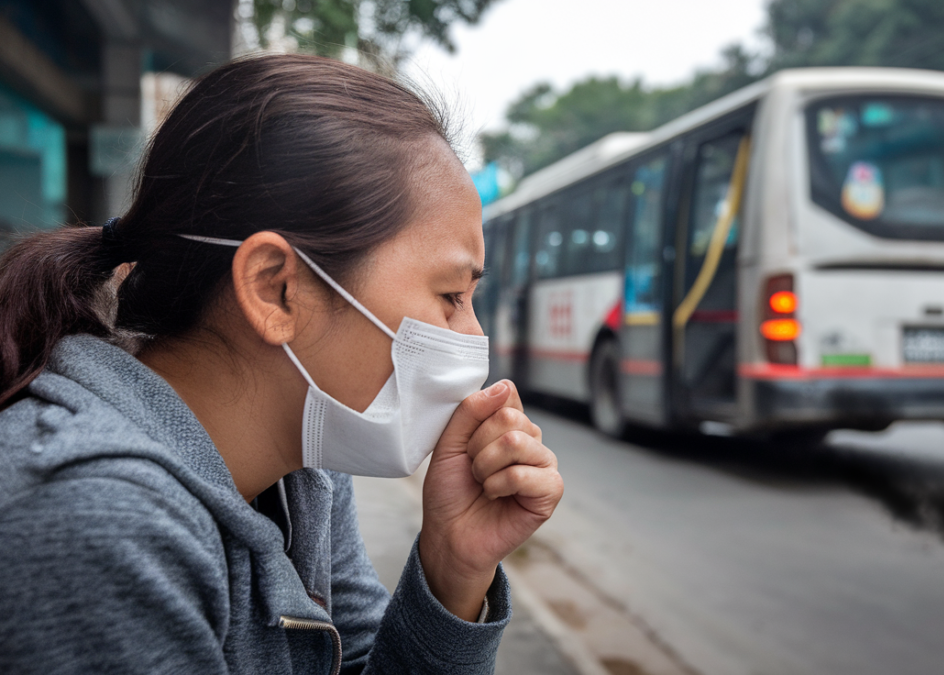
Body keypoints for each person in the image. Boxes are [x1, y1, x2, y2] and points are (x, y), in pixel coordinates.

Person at [0, 54, 563, 674]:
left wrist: (454, 569)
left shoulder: (304, 463)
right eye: (451, 295)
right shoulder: (96, 524)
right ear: (276, 289)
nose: (473, 339)